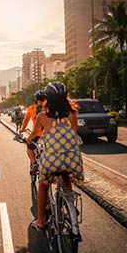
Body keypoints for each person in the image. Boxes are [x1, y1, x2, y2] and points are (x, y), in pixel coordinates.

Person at [27, 82, 84, 231]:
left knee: (43, 186)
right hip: (73, 161)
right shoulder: (72, 115)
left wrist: (29, 140)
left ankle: (40, 221)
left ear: (48, 99)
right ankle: (68, 207)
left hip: (51, 161)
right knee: (65, 177)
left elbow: (35, 134)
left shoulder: (42, 116)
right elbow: (73, 133)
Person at [20, 90, 47, 175]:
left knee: (29, 146)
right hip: (48, 136)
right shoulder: (49, 108)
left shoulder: (31, 108)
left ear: (36, 99)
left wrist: (22, 129)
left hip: (36, 135)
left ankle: (34, 162)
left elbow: (26, 120)